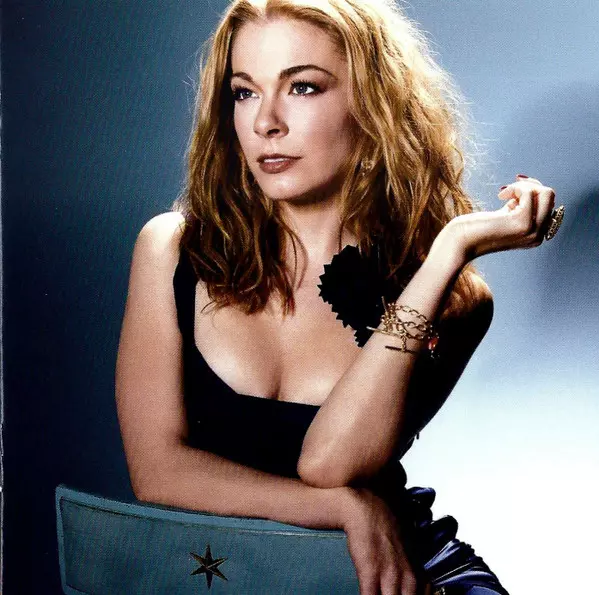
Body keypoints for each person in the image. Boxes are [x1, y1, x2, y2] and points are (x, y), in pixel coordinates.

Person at [115, 1, 563, 593]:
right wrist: (345, 509)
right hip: (225, 576)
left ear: (372, 107)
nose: (266, 122)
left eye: (302, 87)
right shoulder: (173, 250)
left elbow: (329, 465)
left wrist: (450, 249)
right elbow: (157, 472)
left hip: (392, 574)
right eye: (244, 92)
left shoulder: (452, 300)